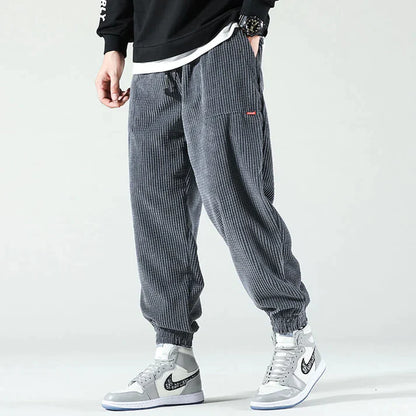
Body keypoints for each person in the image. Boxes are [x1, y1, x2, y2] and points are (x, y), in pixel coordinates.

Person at [95, 0, 325, 411]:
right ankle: (175, 359)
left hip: (220, 38)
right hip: (151, 58)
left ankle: (295, 338)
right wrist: (114, 43)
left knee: (234, 198)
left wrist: (253, 23)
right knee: (156, 209)